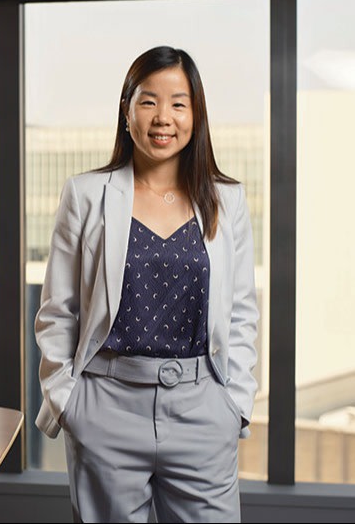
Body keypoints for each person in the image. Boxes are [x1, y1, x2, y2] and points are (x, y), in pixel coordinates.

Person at [34, 46, 259, 523]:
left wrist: (234, 404)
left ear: (196, 114)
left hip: (203, 408)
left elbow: (242, 311)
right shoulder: (86, 194)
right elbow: (58, 310)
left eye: (178, 103)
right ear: (127, 110)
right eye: (148, 101)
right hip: (105, 405)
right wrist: (69, 401)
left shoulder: (227, 200)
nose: (163, 117)